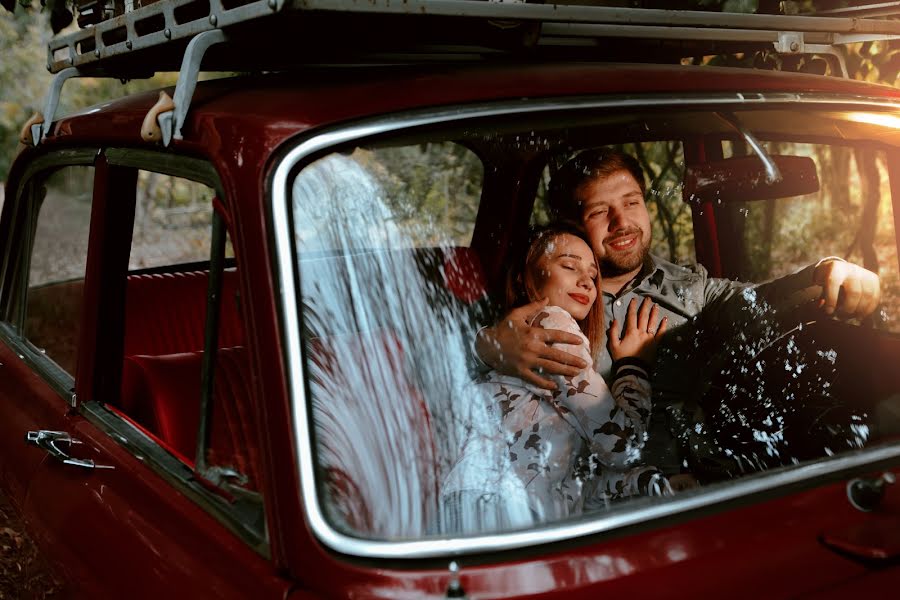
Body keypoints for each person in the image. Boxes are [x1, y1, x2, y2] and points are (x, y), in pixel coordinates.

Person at [475, 148, 882, 480]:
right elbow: (442, 361)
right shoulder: (543, 299)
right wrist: (487, 345)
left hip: (705, 482)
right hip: (594, 499)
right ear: (572, 223)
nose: (622, 222)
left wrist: (826, 271)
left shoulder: (689, 288)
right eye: (600, 211)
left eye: (632, 202)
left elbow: (759, 300)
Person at [442, 223, 670, 531]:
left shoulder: (514, 354)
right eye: (569, 266)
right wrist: (633, 365)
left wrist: (640, 483)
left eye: (592, 275)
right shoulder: (553, 325)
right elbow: (621, 446)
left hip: (471, 507)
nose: (587, 282)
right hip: (503, 511)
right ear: (528, 282)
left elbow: (566, 487)